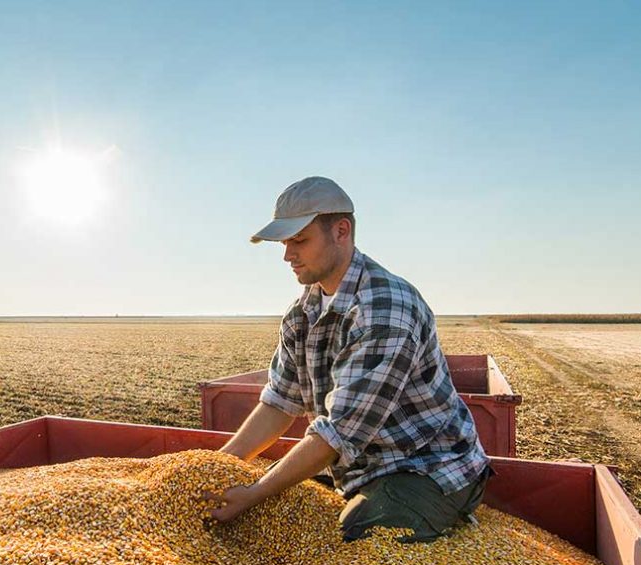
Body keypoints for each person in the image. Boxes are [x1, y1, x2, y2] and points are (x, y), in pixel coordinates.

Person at [204, 176, 493, 542]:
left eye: (299, 241)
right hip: (355, 465)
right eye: (284, 243)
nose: (287, 255)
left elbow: (338, 432)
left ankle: (449, 516)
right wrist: (220, 464)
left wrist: (255, 492)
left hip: (427, 467)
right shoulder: (301, 312)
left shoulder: (385, 308)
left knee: (363, 534)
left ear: (341, 231)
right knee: (269, 506)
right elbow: (280, 401)